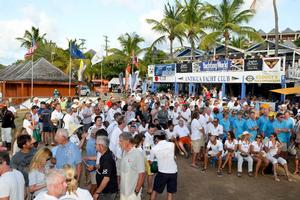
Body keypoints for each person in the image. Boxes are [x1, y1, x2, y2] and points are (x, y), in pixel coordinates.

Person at [150, 131, 177, 200]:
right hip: (173, 171)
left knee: (155, 191)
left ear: (156, 138)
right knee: (170, 192)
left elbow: (151, 162)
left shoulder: (154, 148)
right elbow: (173, 156)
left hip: (162, 172)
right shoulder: (172, 144)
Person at [118, 132, 145, 200]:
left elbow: (141, 174)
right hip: (123, 192)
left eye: (121, 141)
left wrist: (136, 191)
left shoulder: (137, 154)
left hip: (132, 193)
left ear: (128, 141)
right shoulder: (124, 152)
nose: (119, 143)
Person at [93, 136, 118, 200]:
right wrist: (94, 167)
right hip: (105, 189)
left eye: (96, 144)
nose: (94, 146)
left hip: (108, 191)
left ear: (101, 146)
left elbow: (106, 179)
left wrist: (97, 192)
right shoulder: (105, 154)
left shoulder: (107, 159)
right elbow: (103, 166)